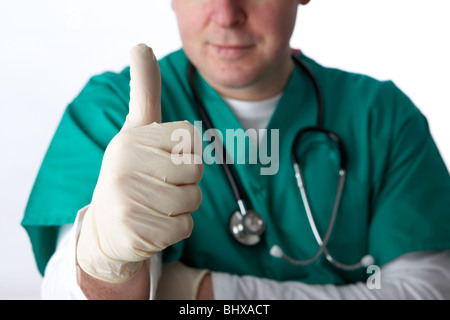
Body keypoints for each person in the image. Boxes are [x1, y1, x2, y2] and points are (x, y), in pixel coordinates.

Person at [22, 0, 450, 300]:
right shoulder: (112, 110)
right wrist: (106, 266)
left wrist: (197, 293)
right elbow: (70, 293)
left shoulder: (383, 117)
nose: (227, 15)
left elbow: (430, 291)